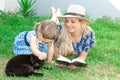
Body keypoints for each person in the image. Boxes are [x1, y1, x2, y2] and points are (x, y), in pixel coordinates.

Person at [50, 4, 95, 69]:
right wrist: (61, 59)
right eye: (67, 21)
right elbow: (53, 46)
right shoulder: (60, 28)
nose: (68, 24)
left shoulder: (87, 33)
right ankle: (55, 15)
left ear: (81, 22)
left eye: (73, 22)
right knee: (50, 25)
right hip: (52, 28)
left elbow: (83, 55)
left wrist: (76, 63)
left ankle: (55, 14)